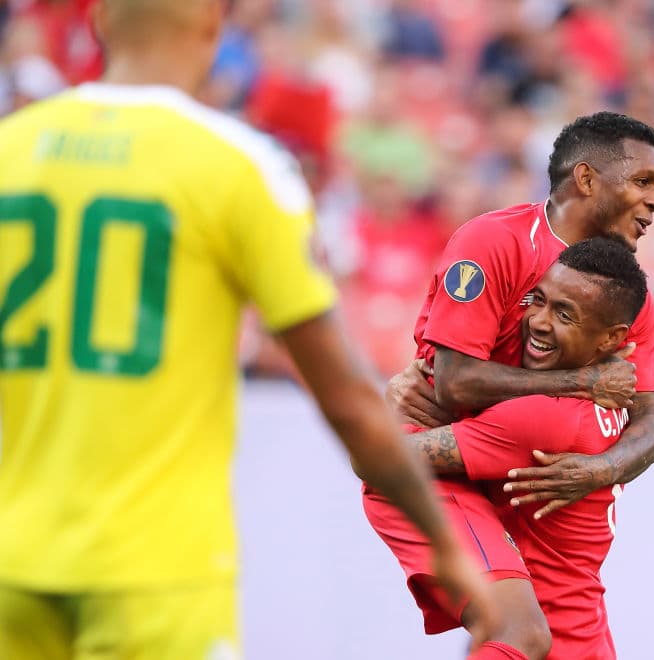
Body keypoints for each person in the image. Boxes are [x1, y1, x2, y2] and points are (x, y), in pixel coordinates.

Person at [0, 1, 497, 658]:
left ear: (98, 23)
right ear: (212, 26)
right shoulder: (236, 166)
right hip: (153, 573)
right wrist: (447, 547)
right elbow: (347, 396)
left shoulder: (12, 147)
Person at [367, 112, 654, 658]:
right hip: (439, 467)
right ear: (587, 179)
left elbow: (653, 423)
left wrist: (599, 470)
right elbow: (454, 386)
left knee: (527, 639)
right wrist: (584, 382)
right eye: (643, 182)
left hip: (521, 476)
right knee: (518, 633)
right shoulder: (495, 241)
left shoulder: (625, 292)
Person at [397, 237, 650, 659]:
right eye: (539, 299)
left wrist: (392, 406)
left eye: (565, 314)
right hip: (585, 635)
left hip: (544, 644)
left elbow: (382, 462)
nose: (538, 321)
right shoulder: (608, 407)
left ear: (611, 339)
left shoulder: (545, 418)